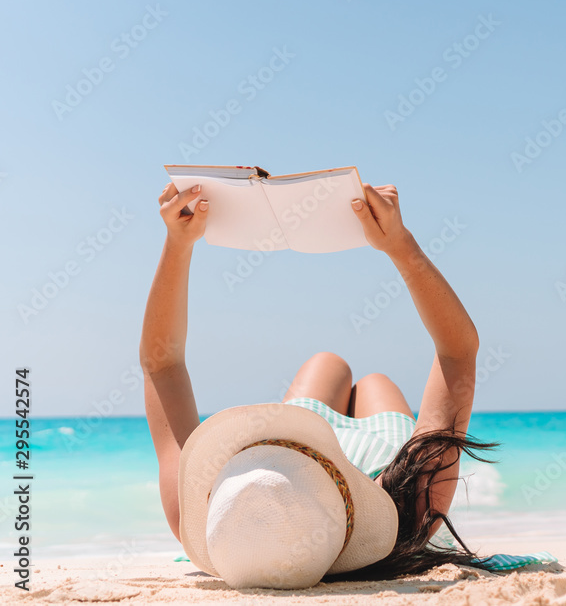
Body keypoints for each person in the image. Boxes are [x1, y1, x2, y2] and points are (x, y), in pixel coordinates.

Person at [140, 180, 497, 588]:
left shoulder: (212, 516)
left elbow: (161, 364)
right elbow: (458, 351)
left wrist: (177, 244)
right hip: (381, 463)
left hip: (294, 448)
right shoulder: (406, 510)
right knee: (372, 380)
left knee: (328, 364)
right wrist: (400, 245)